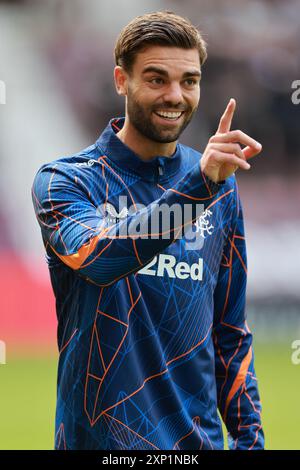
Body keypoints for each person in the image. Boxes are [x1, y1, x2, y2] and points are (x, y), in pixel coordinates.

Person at [32, 11, 264, 450]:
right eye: (156, 79)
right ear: (121, 80)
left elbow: (230, 332)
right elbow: (99, 259)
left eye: (189, 81)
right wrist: (200, 186)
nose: (175, 95)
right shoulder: (66, 181)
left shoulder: (220, 187)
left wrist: (251, 441)